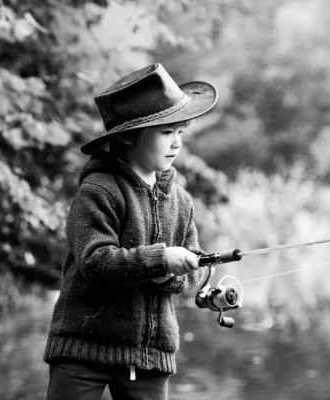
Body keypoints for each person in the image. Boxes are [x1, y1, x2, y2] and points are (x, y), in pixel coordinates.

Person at [44, 63, 218, 400]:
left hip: (151, 356)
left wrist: (171, 273)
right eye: (167, 133)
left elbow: (193, 269)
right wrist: (159, 260)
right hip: (82, 350)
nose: (177, 144)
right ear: (126, 136)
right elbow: (95, 261)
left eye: (180, 132)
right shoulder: (98, 190)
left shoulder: (181, 200)